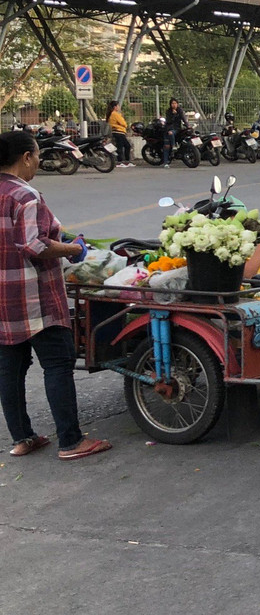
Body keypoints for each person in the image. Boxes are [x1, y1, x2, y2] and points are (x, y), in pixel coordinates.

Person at [0, 131, 112, 461]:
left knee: (9, 370)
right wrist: (73, 248)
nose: (37, 162)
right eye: (36, 156)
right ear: (25, 158)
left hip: (3, 301)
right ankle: (71, 441)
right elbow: (35, 246)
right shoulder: (25, 195)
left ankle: (23, 438)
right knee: (58, 365)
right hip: (35, 298)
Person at [106, 100, 134, 167]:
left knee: (126, 146)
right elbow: (123, 123)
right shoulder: (115, 114)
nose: (119, 107)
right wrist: (124, 124)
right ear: (115, 107)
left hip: (119, 132)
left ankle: (126, 161)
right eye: (118, 105)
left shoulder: (113, 113)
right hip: (118, 132)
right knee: (121, 147)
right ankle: (120, 161)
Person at [162, 97, 184, 168]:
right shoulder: (168, 111)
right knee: (167, 146)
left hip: (176, 129)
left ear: (177, 104)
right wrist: (173, 115)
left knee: (172, 133)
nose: (174, 105)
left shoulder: (180, 111)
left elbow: (183, 118)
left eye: (175, 103)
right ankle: (166, 162)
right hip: (168, 129)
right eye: (172, 103)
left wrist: (188, 125)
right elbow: (168, 121)